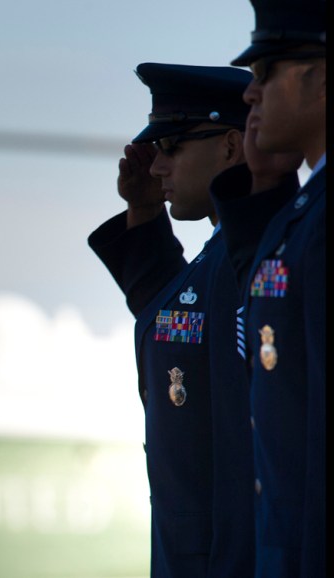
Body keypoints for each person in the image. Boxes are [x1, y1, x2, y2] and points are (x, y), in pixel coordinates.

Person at [88, 63, 263, 577]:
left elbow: (241, 451)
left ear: (229, 147)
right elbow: (179, 326)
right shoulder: (221, 255)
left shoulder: (247, 259)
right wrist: (144, 213)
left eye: (172, 147)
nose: (157, 167)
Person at [209, 0, 326, 575]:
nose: (251, 93)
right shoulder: (302, 213)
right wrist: (262, 180)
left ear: (321, 79)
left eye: (266, 71)